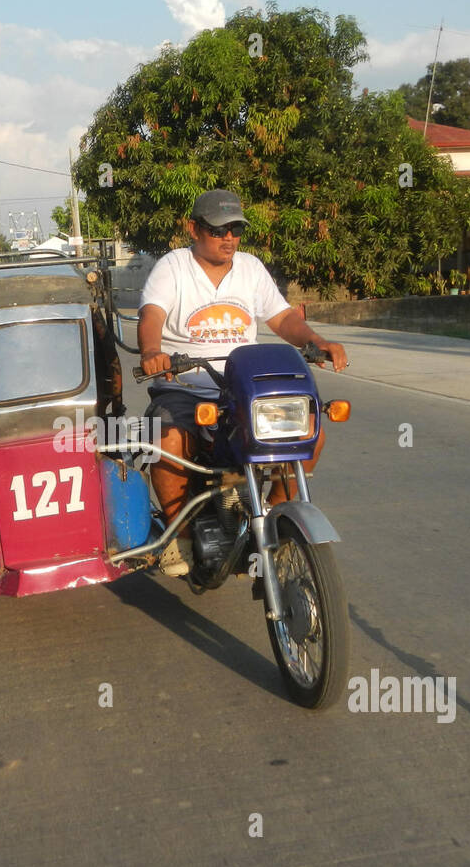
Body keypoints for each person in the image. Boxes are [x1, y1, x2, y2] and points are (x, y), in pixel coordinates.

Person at [138, 189, 348, 576]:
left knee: (310, 432)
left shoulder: (250, 268)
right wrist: (153, 349)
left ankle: (271, 515)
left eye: (235, 229)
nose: (229, 238)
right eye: (219, 230)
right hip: (186, 386)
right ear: (194, 229)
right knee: (163, 438)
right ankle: (180, 537)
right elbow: (152, 314)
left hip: (243, 387)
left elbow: (282, 318)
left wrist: (316, 341)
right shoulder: (173, 267)